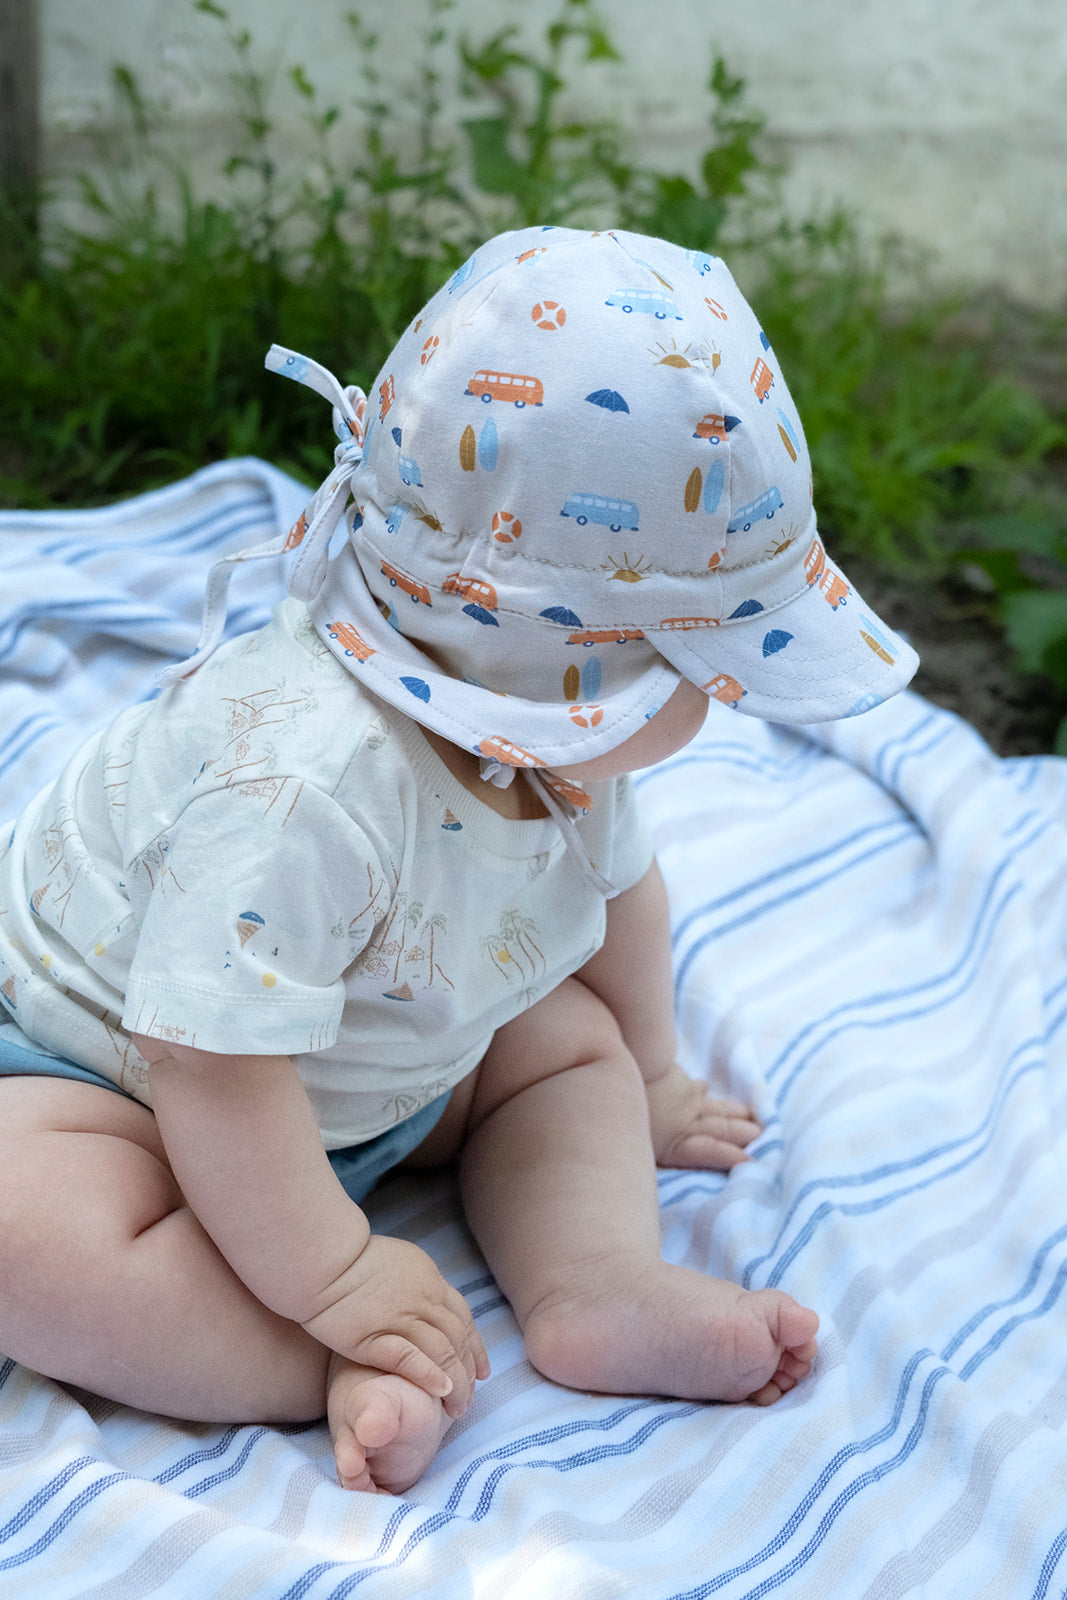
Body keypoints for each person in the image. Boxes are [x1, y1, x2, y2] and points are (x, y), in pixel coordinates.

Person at [0, 226, 918, 1496]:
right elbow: (204, 1058)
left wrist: (643, 1076)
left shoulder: (545, 748)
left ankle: (593, 1280)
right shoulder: (304, 780)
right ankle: (318, 1353)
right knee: (28, 1234)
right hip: (119, 1072)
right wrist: (336, 1276)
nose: (716, 703)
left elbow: (625, 901)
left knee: (567, 1042)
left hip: (380, 1062)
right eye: (694, 666)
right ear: (559, 668)